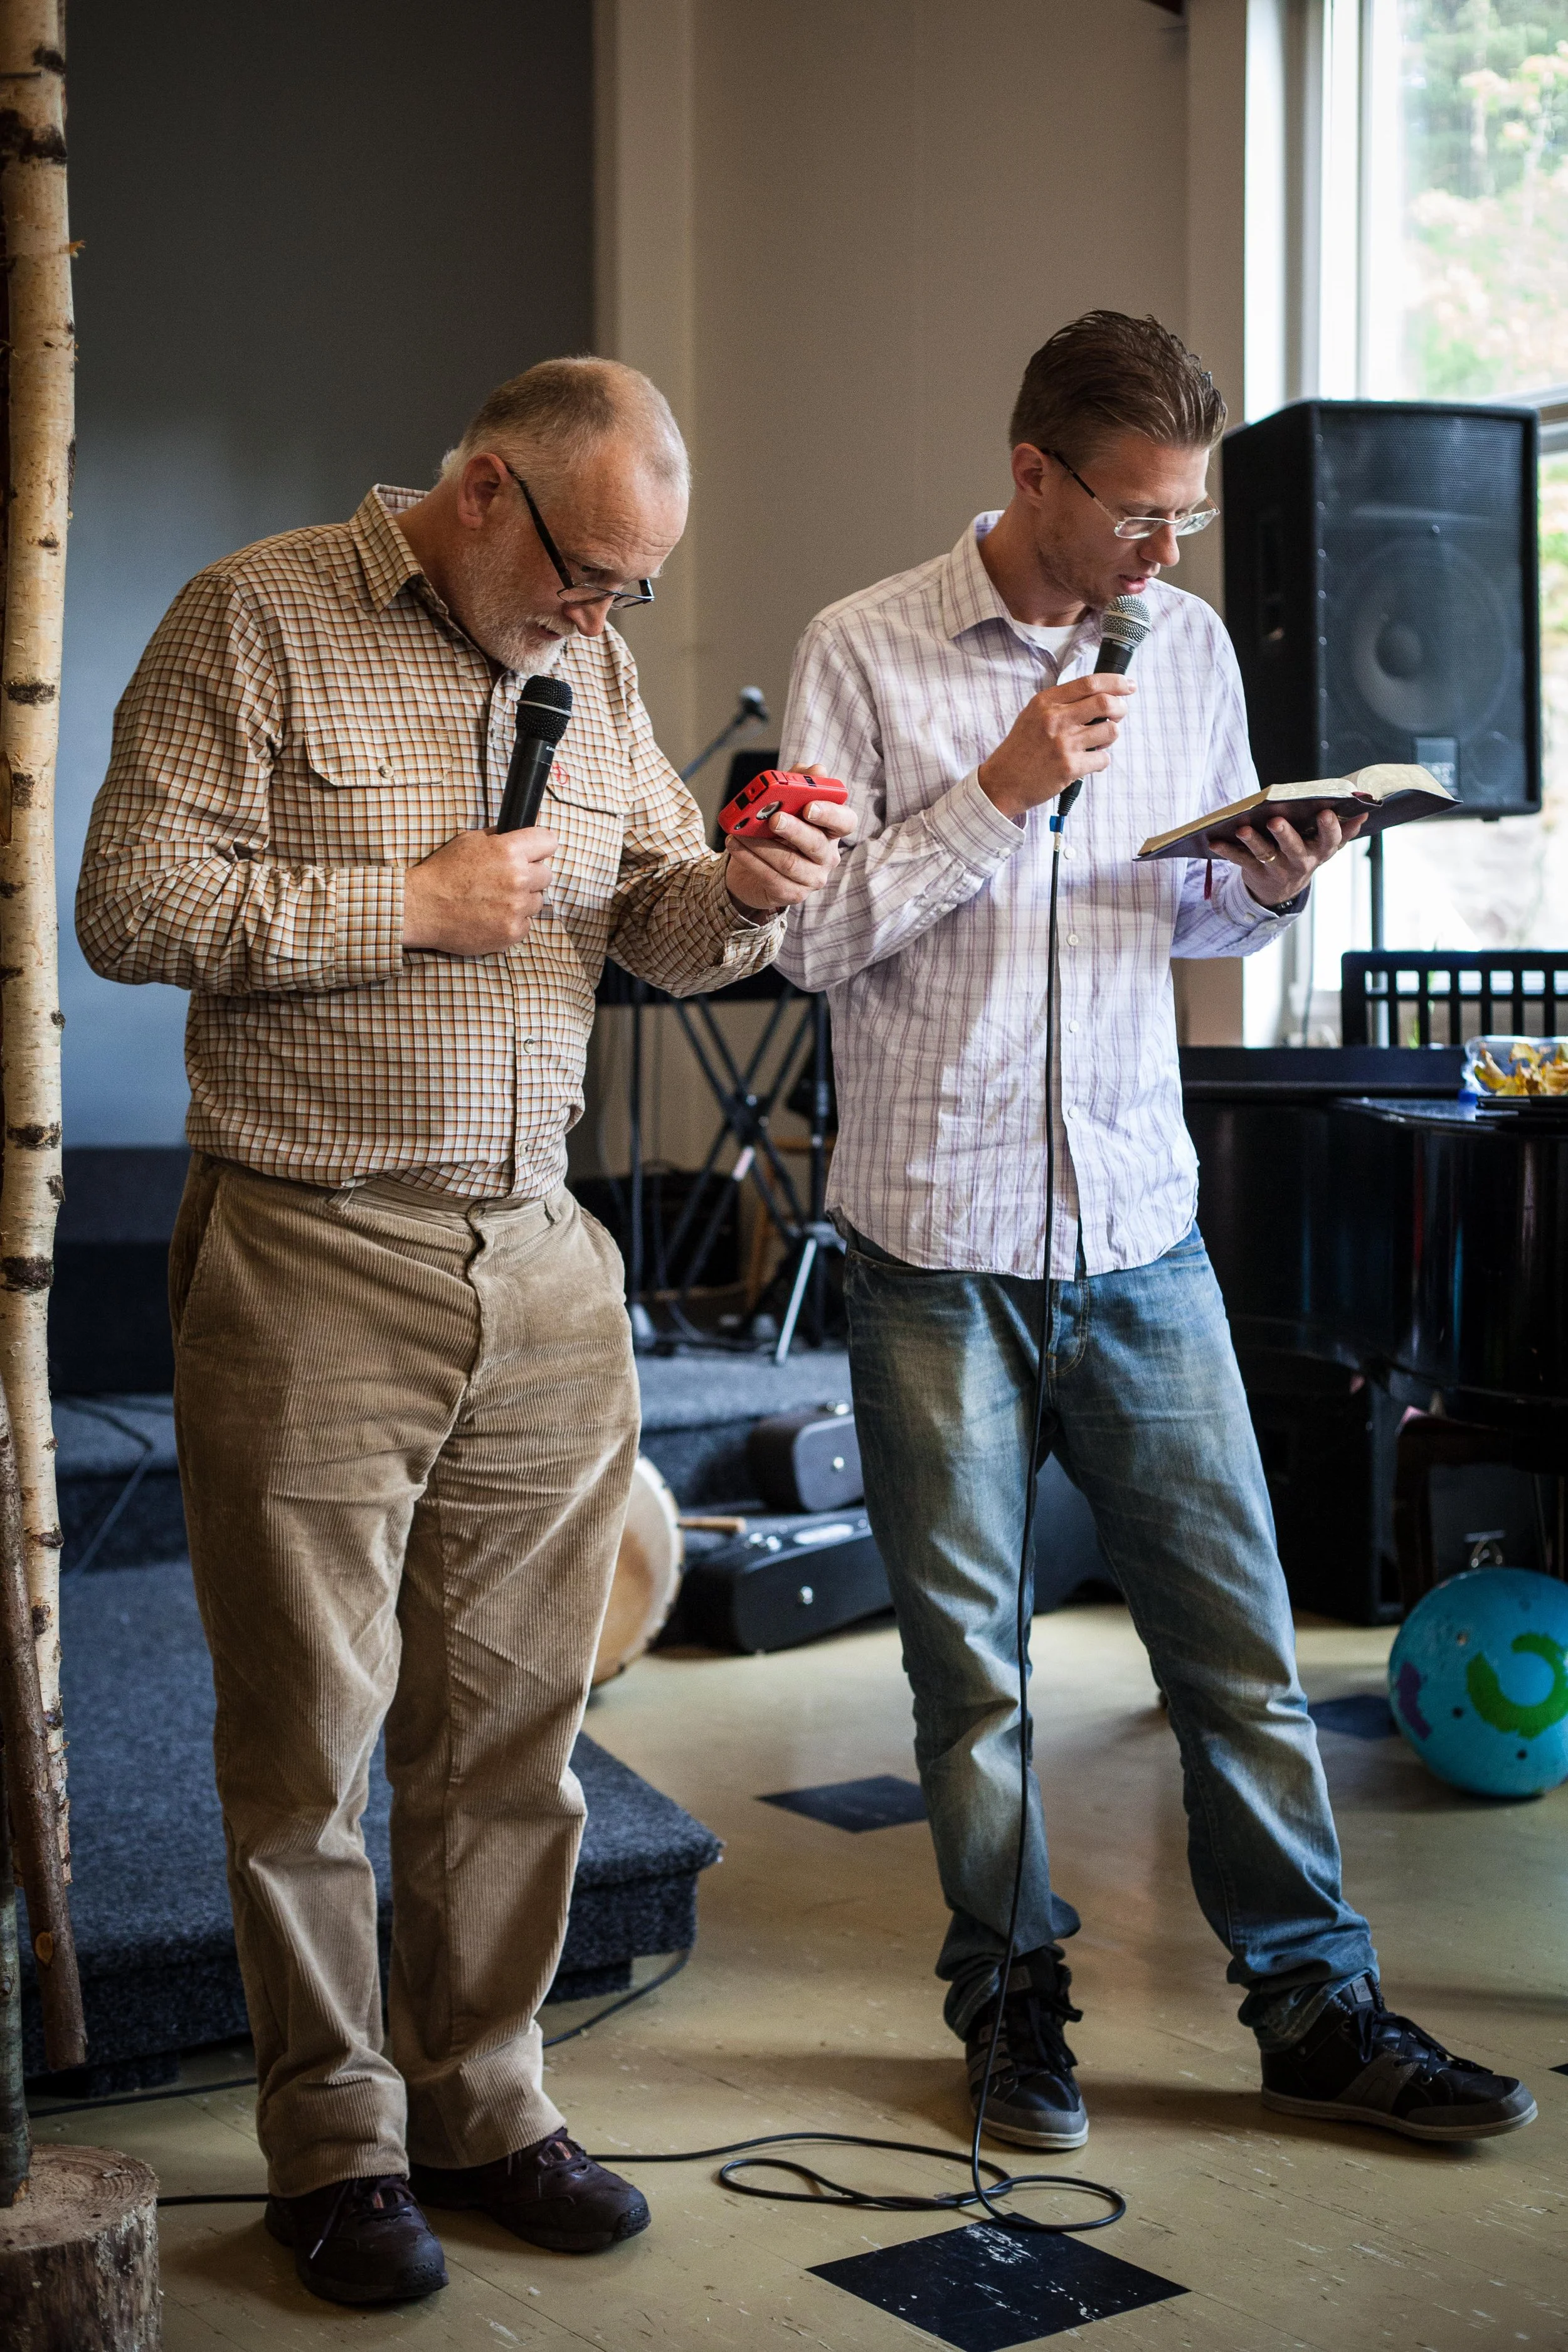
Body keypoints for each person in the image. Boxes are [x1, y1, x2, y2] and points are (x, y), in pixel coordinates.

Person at [77, 358, 856, 2307]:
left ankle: (487, 2101)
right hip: (311, 1246)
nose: (604, 617)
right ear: (485, 490)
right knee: (306, 1741)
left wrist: (745, 890)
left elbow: (647, 923)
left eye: (637, 591)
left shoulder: (587, 669)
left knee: (519, 1727)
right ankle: (333, 2142)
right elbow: (129, 902)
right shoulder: (251, 618)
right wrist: (403, 902)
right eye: (590, 570)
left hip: (542, 1257)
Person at [775, 310, 1535, 2157]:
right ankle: (1013, 2004)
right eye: (1132, 512)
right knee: (975, 1679)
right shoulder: (859, 649)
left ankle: (1311, 2002)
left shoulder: (1185, 644)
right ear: (1030, 471)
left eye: (1179, 516)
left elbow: (1180, 918)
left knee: (1237, 1650)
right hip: (933, 1240)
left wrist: (1260, 887)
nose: (1162, 553)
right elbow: (802, 939)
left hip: (1138, 1221)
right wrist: (998, 792)